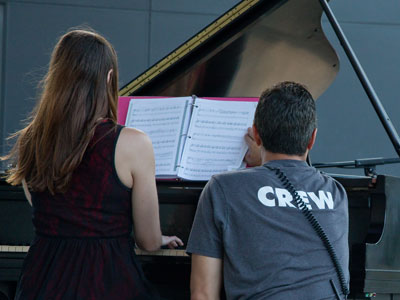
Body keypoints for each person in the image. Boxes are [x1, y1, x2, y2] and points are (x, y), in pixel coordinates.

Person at [2, 28, 183, 300]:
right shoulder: (133, 143)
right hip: (108, 282)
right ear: (109, 78)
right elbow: (147, 240)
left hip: (43, 282)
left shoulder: (31, 140)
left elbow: (44, 204)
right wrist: (160, 239)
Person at [187, 82, 349, 300]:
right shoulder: (336, 193)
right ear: (312, 138)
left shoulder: (223, 188)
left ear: (256, 134)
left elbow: (203, 294)